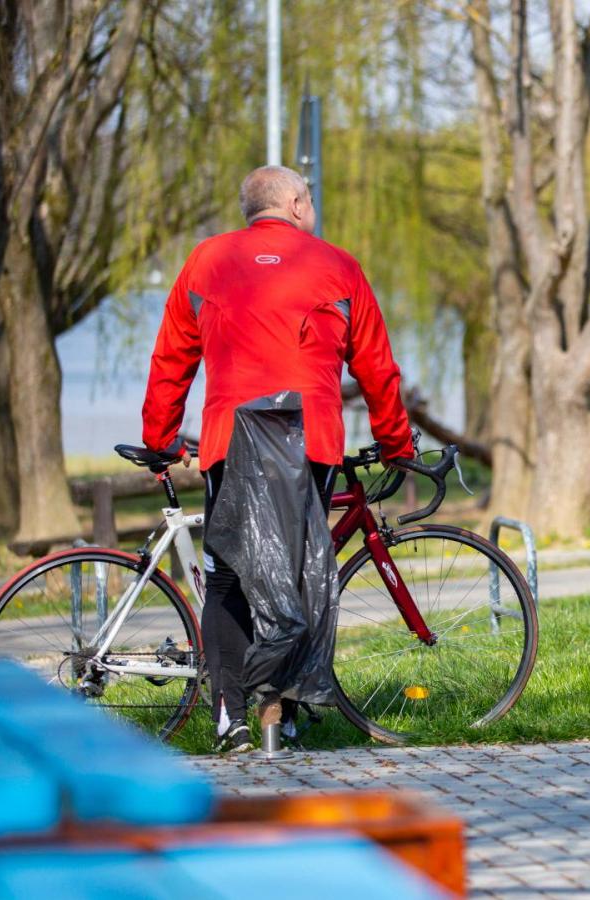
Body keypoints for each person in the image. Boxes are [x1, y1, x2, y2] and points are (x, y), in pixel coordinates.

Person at [142, 165, 414, 753]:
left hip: (229, 442)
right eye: (309, 201)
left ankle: (230, 718)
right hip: (309, 440)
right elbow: (377, 367)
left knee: (231, 577)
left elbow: (171, 359)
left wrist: (161, 436)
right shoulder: (338, 266)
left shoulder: (206, 261)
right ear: (294, 204)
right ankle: (283, 714)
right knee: (298, 571)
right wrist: (397, 442)